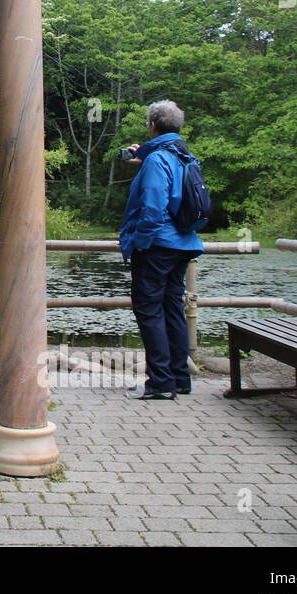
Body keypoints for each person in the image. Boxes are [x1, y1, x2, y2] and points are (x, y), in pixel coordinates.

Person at [118, 100, 204, 399]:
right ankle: (180, 378)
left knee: (149, 309)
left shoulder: (158, 160)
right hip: (183, 243)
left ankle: (160, 382)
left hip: (157, 245)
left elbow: (153, 208)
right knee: (172, 309)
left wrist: (141, 244)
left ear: (152, 125)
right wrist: (138, 155)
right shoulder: (185, 156)